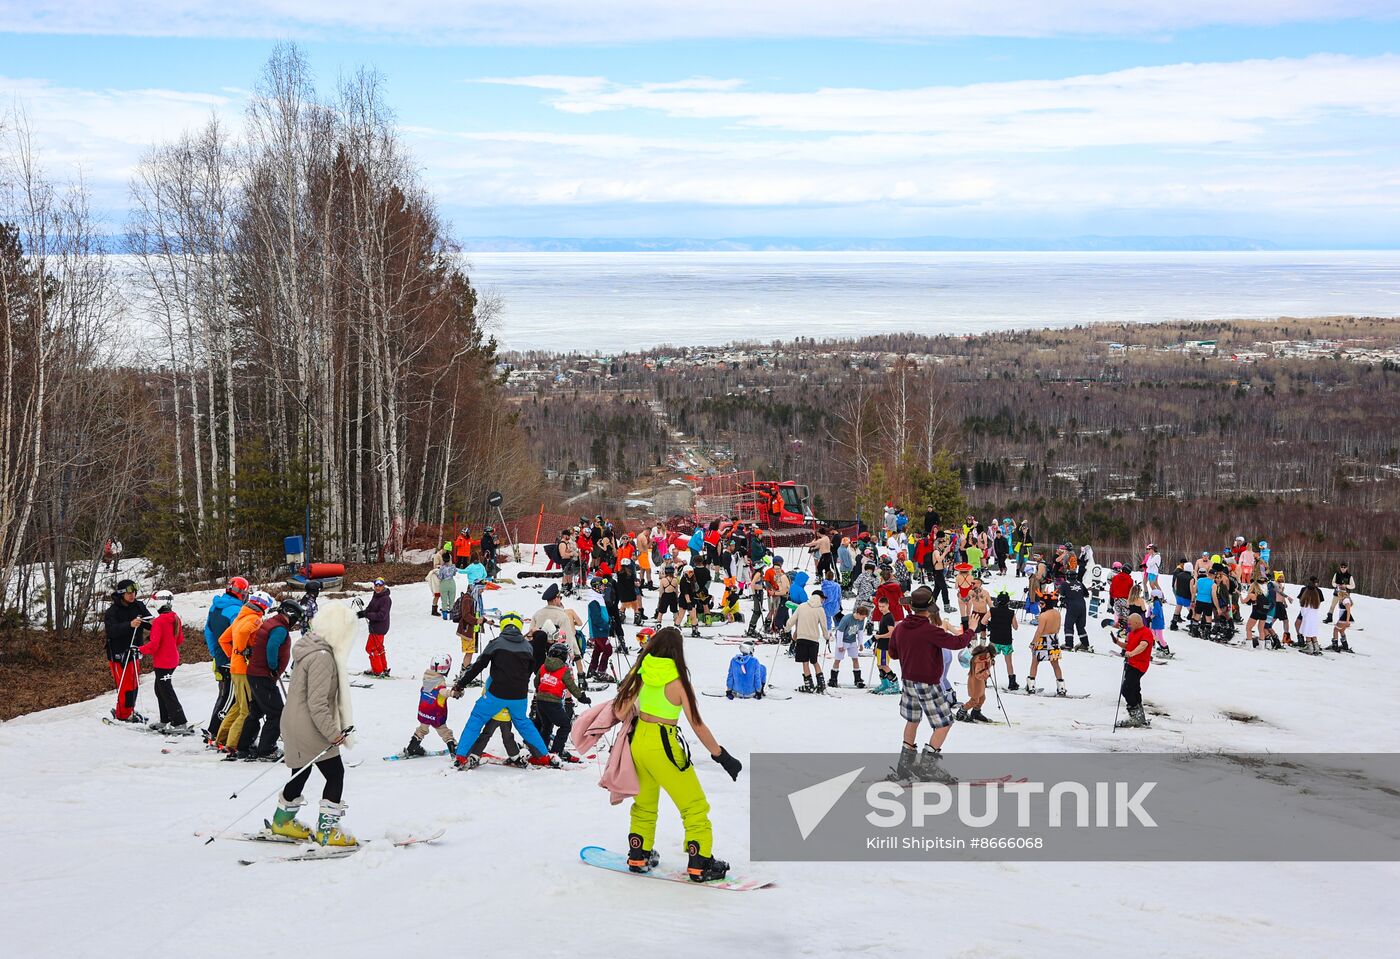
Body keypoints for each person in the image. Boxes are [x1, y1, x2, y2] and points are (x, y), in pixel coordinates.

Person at [612, 627, 742, 881]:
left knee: (645, 803)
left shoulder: (641, 672)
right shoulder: (679, 682)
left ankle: (638, 853)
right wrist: (722, 756)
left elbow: (620, 709)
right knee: (693, 805)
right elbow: (697, 724)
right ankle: (700, 861)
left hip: (638, 742)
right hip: (665, 745)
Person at [266, 601, 358, 846]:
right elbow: (316, 703)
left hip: (296, 722)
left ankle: (282, 822)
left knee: (301, 771)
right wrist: (333, 734)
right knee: (335, 773)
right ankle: (327, 831)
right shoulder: (322, 657)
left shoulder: (312, 648)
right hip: (309, 726)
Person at [888, 586, 979, 782]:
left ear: (911, 607)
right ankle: (927, 767)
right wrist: (971, 629)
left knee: (912, 720)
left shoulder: (901, 627)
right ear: (930, 610)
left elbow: (893, 653)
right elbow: (956, 643)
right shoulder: (929, 630)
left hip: (908, 681)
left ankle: (905, 765)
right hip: (928, 683)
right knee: (944, 723)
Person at [450, 612, 559, 768]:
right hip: (519, 696)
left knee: (477, 718)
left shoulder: (496, 643)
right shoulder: (528, 647)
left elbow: (478, 666)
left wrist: (460, 684)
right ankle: (543, 756)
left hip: (496, 694)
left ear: (503, 625)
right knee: (524, 724)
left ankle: (461, 756)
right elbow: (532, 670)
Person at [217, 590, 275, 758]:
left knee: (237, 706)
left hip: (236, 667)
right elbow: (243, 634)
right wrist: (242, 652)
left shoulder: (240, 617)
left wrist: (233, 655)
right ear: (263, 605)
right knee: (246, 710)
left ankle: (222, 738)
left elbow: (223, 639)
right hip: (243, 670)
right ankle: (233, 744)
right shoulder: (254, 619)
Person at [242, 599, 302, 761]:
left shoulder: (271, 622)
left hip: (255, 674)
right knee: (276, 713)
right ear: (290, 615)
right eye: (295, 619)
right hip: (263, 676)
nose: (295, 623)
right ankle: (266, 750)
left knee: (256, 710)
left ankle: (244, 745)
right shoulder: (280, 628)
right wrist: (273, 665)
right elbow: (272, 646)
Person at [138, 589, 189, 732]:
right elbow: (179, 639)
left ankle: (180, 722)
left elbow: (154, 646)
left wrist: (140, 649)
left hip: (164, 662)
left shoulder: (160, 621)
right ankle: (165, 719)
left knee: (166, 690)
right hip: (170, 659)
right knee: (159, 689)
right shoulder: (175, 617)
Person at [203, 577, 247, 737]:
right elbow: (239, 635)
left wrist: (214, 652)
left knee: (223, 694)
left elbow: (207, 630)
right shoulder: (236, 610)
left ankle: (217, 729)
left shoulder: (215, 606)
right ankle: (217, 730)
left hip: (219, 657)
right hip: (230, 659)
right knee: (231, 697)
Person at [103, 579, 151, 724]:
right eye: (129, 593)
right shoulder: (112, 611)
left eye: (134, 592)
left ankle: (129, 710)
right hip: (118, 653)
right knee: (125, 685)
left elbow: (149, 623)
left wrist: (159, 624)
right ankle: (123, 714)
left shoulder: (139, 606)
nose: (133, 595)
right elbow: (111, 631)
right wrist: (129, 625)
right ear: (122, 594)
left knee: (134, 683)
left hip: (134, 651)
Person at [533, 641, 591, 759]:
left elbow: (536, 682)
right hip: (553, 702)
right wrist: (582, 697)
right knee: (565, 725)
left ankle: (542, 751)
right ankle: (556, 752)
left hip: (540, 701)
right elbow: (571, 686)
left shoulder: (543, 666)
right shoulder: (564, 669)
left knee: (547, 725)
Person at [402, 655, 460, 759]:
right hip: (435, 713)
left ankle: (412, 748)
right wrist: (454, 693)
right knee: (444, 731)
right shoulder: (440, 683)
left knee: (422, 729)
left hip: (424, 710)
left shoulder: (427, 678)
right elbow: (442, 692)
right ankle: (454, 750)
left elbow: (434, 688)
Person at [1113, 612, 1154, 728]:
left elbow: (1142, 646)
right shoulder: (1132, 633)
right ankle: (1139, 716)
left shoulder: (1146, 632)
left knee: (1126, 689)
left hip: (1139, 665)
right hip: (1131, 664)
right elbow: (1129, 646)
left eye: (1130, 624)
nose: (1129, 626)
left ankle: (1135, 716)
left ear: (1137, 622)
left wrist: (1131, 654)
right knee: (1135, 689)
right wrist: (1117, 642)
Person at [1025, 591, 1067, 696]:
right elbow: (1057, 628)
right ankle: (1061, 687)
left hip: (1042, 640)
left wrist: (1033, 642)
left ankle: (1031, 686)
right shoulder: (1057, 613)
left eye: (1042, 604)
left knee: (1035, 662)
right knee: (1055, 664)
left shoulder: (1043, 616)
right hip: (1053, 639)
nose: (1040, 605)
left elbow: (1039, 631)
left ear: (1047, 604)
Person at [790, 590, 830, 694]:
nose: (823, 601)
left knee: (805, 662)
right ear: (820, 598)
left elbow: (792, 620)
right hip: (813, 640)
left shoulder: (802, 606)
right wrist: (826, 637)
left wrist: (786, 628)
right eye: (823, 598)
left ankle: (809, 685)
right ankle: (821, 684)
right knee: (814, 661)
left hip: (802, 638)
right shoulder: (820, 610)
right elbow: (824, 626)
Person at [358, 578, 393, 677]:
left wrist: (368, 615)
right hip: (375, 626)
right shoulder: (376, 596)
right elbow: (369, 609)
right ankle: (383, 668)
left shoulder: (386, 599)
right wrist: (361, 614)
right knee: (378, 648)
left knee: (370, 648)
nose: (377, 588)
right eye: (376, 586)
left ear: (383, 586)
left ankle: (377, 670)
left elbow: (382, 615)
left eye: (379, 586)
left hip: (379, 627)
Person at [831, 604, 869, 689]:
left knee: (855, 659)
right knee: (838, 660)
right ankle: (833, 679)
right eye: (863, 617)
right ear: (858, 614)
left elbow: (860, 632)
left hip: (852, 641)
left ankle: (857, 679)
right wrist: (840, 645)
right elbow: (839, 632)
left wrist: (860, 643)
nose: (864, 619)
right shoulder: (846, 619)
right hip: (843, 641)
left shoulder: (861, 620)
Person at [988, 590, 1019, 691]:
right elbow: (1015, 627)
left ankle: (983, 679)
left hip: (994, 640)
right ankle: (1012, 682)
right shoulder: (1011, 612)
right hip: (1006, 640)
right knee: (1008, 662)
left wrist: (991, 625)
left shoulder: (992, 611)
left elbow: (983, 621)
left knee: (989, 659)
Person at [956, 642, 994, 723]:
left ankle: (976, 713)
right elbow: (978, 673)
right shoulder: (980, 660)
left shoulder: (984, 658)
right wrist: (987, 673)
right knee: (974, 700)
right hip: (975, 682)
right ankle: (961, 712)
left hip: (980, 682)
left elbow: (985, 667)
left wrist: (990, 663)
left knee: (982, 698)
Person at [1297, 578, 1324, 655]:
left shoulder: (1306, 600)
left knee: (1308, 633)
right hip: (1314, 618)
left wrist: (1303, 615)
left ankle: (1310, 648)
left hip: (1307, 618)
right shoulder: (1316, 600)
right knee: (1313, 633)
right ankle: (1316, 647)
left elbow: (1303, 611)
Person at [1330, 586, 1355, 652]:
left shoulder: (1346, 600)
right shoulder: (1343, 599)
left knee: (1335, 629)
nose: (1337, 593)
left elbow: (1348, 610)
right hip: (1343, 618)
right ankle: (1345, 645)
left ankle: (1335, 645)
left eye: (1338, 592)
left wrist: (1347, 621)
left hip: (1344, 618)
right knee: (1341, 631)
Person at [435, 552, 458, 621]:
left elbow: (440, 577)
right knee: (452, 599)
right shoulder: (453, 566)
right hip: (451, 583)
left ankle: (444, 614)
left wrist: (436, 574)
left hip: (444, 584)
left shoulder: (442, 568)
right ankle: (451, 614)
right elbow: (454, 574)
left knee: (444, 599)